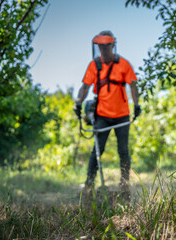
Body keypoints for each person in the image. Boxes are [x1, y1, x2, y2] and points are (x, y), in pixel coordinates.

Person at [73, 30, 141, 199]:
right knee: (97, 150)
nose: (103, 50)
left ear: (113, 45)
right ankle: (89, 184)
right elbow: (85, 87)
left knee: (123, 150)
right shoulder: (94, 66)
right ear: (97, 47)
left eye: (106, 46)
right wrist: (78, 103)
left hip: (122, 115)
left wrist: (137, 105)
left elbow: (133, 86)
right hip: (102, 115)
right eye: (100, 47)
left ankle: (125, 184)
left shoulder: (124, 65)